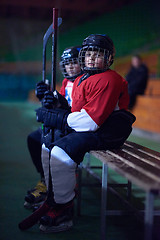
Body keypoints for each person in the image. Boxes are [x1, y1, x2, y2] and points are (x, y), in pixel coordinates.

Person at [36, 34, 136, 233]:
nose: (91, 58)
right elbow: (77, 112)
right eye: (88, 53)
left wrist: (59, 118)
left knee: (60, 152)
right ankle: (54, 196)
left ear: (108, 58)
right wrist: (56, 104)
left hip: (110, 130)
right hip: (95, 127)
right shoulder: (83, 78)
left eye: (97, 54)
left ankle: (64, 208)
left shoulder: (108, 79)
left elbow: (90, 122)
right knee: (48, 144)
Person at [24, 46, 82, 209]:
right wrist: (46, 96)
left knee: (50, 143)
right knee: (34, 138)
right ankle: (45, 180)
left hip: (74, 127)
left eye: (74, 62)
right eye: (67, 63)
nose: (70, 67)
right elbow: (59, 103)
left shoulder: (82, 81)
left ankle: (58, 189)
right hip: (62, 124)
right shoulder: (66, 82)